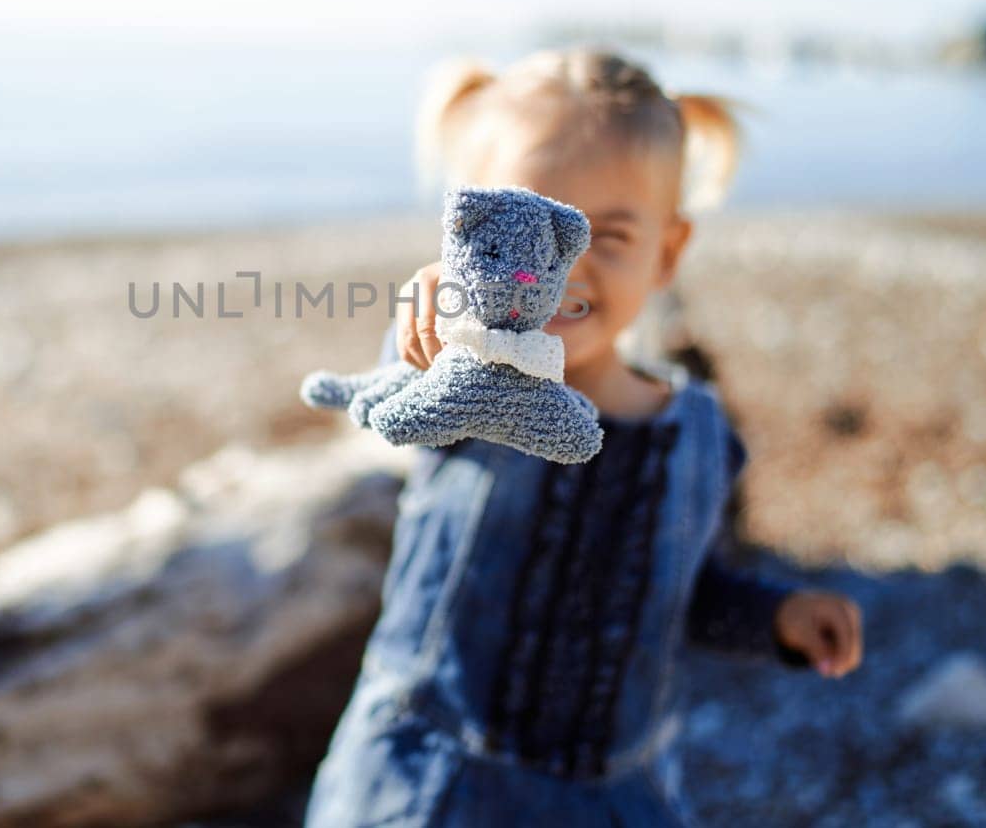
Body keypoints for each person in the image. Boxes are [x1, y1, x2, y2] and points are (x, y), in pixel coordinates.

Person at [302, 48, 863, 826]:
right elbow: (401, 389)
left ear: (668, 252)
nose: (563, 269)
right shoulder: (470, 386)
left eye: (609, 236)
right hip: (428, 784)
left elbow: (679, 594)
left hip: (608, 798)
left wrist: (777, 620)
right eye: (534, 226)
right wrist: (426, 314)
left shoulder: (698, 434)